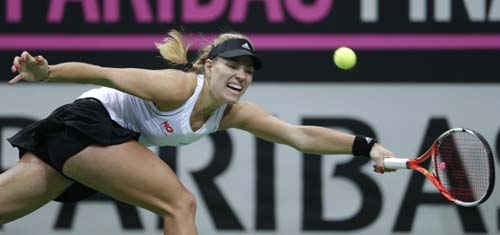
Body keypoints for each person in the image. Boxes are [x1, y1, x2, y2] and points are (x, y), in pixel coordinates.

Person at [1, 30, 395, 234]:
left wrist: (367, 146)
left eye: (248, 70)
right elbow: (104, 73)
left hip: (86, 139)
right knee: (180, 204)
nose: (241, 75)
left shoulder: (233, 113)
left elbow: (298, 136)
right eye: (232, 65)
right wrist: (46, 73)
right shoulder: (175, 88)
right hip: (89, 124)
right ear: (208, 66)